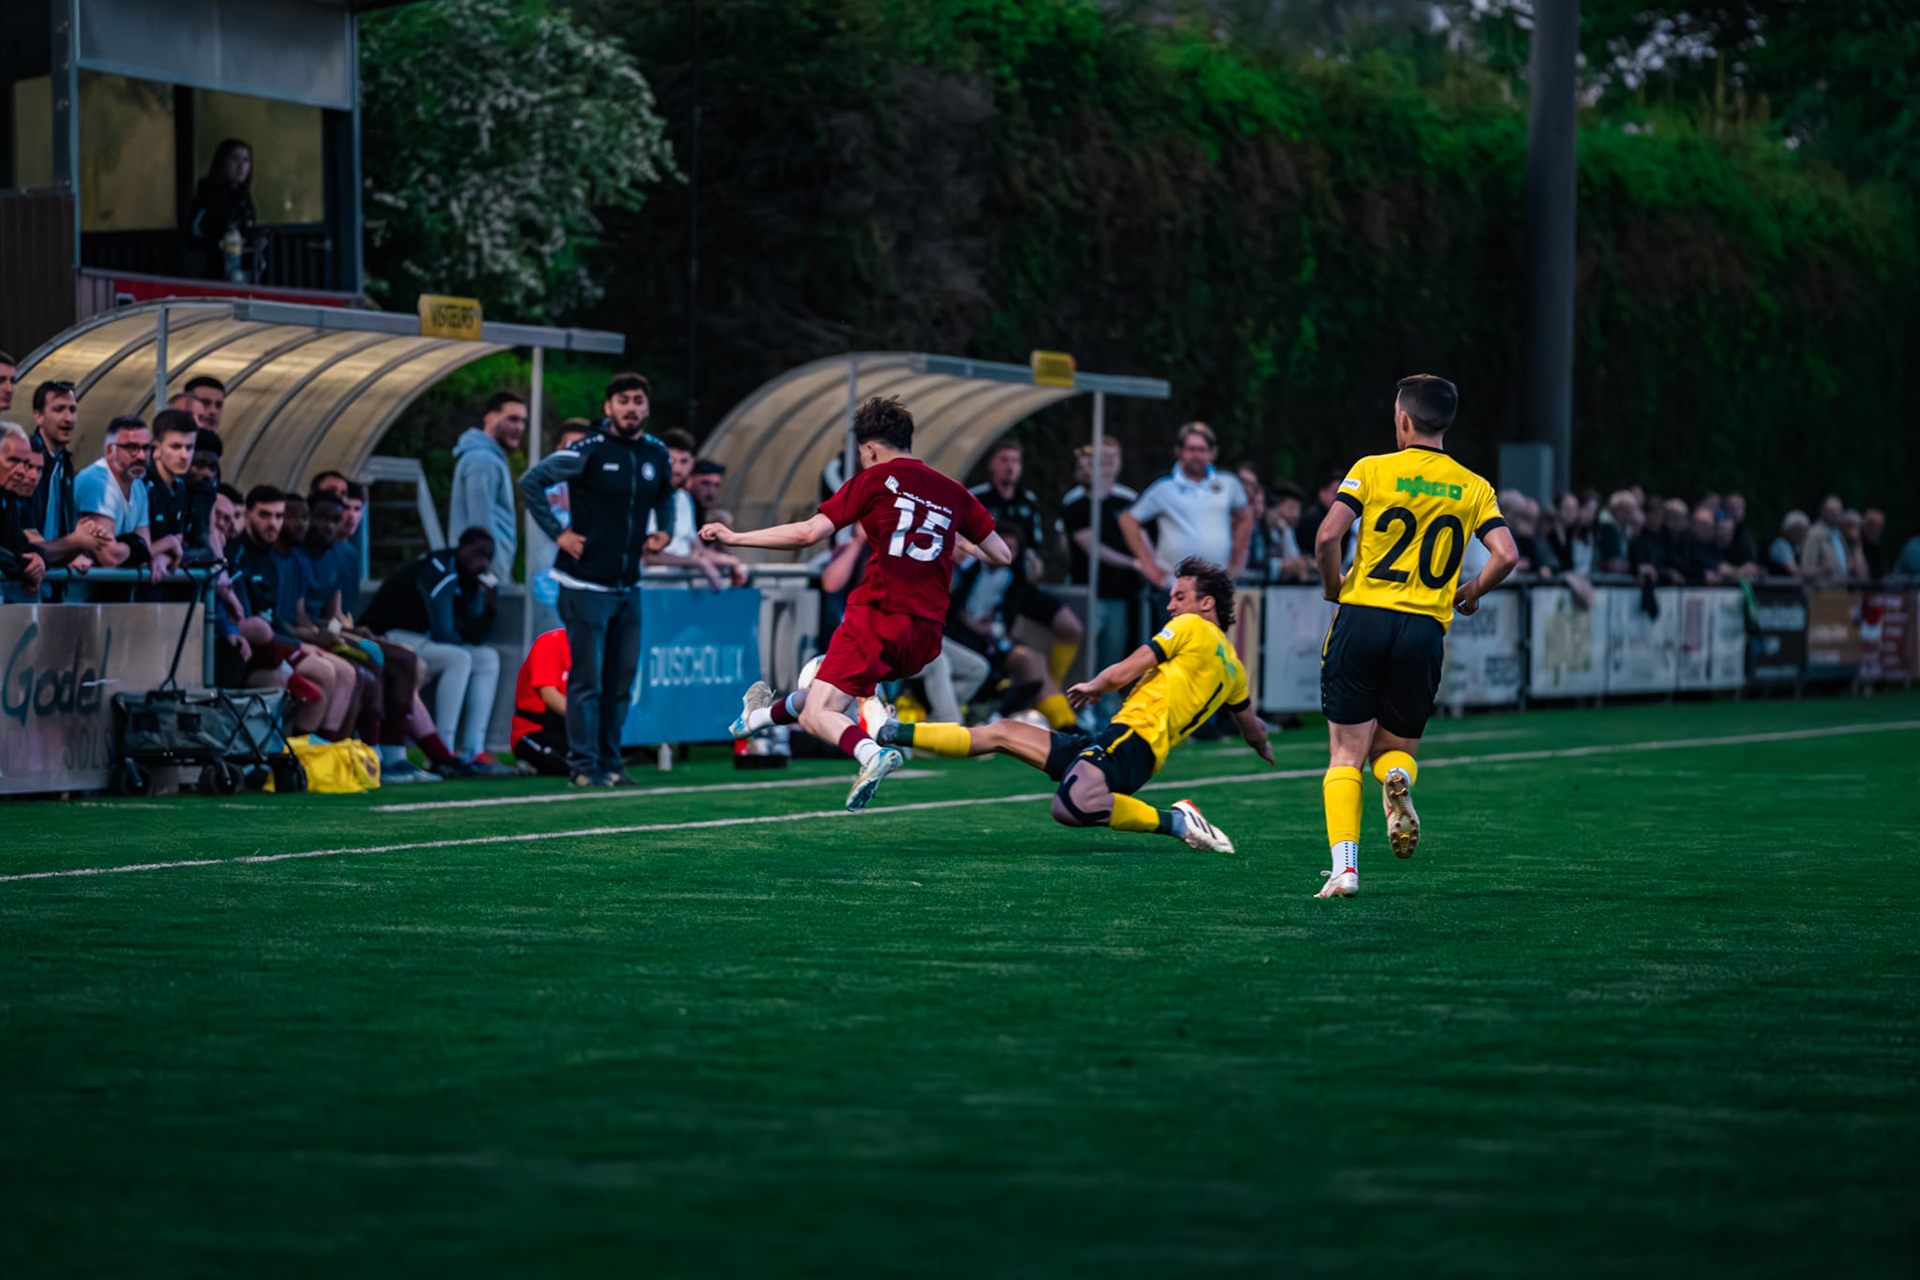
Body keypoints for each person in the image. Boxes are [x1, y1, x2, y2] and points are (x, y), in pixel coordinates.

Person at [708, 394, 1012, 811]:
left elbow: (807, 533)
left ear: (869, 448)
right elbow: (1002, 556)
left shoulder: (873, 480)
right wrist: (958, 539)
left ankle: (872, 753)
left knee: (819, 713)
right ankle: (756, 718)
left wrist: (736, 537)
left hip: (879, 614)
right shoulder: (953, 492)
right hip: (924, 636)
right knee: (828, 691)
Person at [883, 557, 1268, 851]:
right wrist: (1263, 748)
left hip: (1132, 742)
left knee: (1070, 807)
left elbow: (1126, 669)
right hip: (1125, 744)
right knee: (1001, 733)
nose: (1171, 606)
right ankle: (889, 730)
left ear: (1206, 603)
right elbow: (1251, 728)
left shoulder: (1191, 625)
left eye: (1179, 597)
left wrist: (1096, 686)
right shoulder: (1234, 667)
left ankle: (1179, 823)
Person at [1310, 374, 1519, 899]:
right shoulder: (1474, 486)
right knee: (1395, 748)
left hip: (1364, 618)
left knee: (1345, 752)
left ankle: (1346, 868)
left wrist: (1335, 585)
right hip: (1424, 628)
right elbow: (1508, 555)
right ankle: (1397, 783)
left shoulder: (1373, 469)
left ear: (1403, 418)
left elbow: (1328, 535)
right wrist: (1470, 589)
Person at [515, 372, 676, 787]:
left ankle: (611, 764)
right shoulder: (586, 449)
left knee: (619, 682)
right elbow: (532, 481)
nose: (631, 407)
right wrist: (559, 534)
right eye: (623, 400)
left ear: (646, 407)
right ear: (608, 408)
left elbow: (665, 493)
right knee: (587, 681)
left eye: (638, 400)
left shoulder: (656, 453)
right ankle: (584, 767)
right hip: (583, 584)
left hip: (628, 585)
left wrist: (666, 531)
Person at [361, 529, 510, 776]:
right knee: (459, 658)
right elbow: (443, 630)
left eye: (487, 556)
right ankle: (444, 751)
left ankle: (474, 750)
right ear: (461, 548)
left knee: (487, 658)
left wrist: (488, 606)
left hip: (423, 640)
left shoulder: (474, 580)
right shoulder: (441, 566)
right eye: (476, 553)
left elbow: (474, 636)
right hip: (389, 634)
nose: (482, 562)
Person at [969, 440, 1082, 687]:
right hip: (985, 588)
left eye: (1015, 461)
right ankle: (1003, 698)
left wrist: (1035, 564)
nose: (1010, 467)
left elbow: (1033, 548)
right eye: (1004, 460)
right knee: (1004, 649)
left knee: (1071, 627)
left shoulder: (1027, 501)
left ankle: (1055, 689)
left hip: (1021, 584)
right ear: (992, 464)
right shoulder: (977, 498)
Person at [1121, 422, 1252, 591]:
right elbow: (1128, 520)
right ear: (1180, 452)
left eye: (1201, 450)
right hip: (1174, 585)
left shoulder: (1228, 484)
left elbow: (1245, 517)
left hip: (1216, 584)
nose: (1196, 455)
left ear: (1212, 453)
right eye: (1191, 449)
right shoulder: (1164, 489)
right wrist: (1149, 565)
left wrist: (1238, 561)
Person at [1057, 439, 1141, 676]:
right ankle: (1080, 707)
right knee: (1084, 656)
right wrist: (1132, 563)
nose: (1107, 466)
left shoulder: (1127, 499)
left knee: (1113, 656)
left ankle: (1108, 708)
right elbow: (1079, 544)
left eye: (1112, 459)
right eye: (1102, 460)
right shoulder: (1074, 502)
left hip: (1120, 593)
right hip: (1087, 590)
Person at [74, 416, 175, 583]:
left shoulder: (139, 487)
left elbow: (144, 549)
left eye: (146, 448)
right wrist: (167, 543)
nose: (141, 455)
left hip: (108, 596)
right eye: (131, 447)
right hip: (78, 595)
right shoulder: (98, 482)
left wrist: (147, 551)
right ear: (110, 450)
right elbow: (110, 557)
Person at [449, 391, 526, 582]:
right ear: (490, 419)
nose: (519, 427)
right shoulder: (483, 461)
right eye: (512, 419)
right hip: (483, 575)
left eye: (523, 421)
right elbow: (479, 528)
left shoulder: (489, 458)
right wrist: (490, 577)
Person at [189, 138, 261, 283]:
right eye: (235, 159)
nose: (241, 166)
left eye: (246, 160)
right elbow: (192, 236)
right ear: (222, 162)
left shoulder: (244, 197)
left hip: (242, 275)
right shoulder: (207, 194)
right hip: (211, 277)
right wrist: (220, 245)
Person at [142, 409, 208, 557]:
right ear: (157, 448)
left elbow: (179, 539)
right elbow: (134, 551)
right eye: (176, 447)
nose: (184, 455)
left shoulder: (180, 487)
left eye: (189, 447)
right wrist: (168, 544)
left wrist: (165, 556)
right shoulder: (141, 486)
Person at [509, 627, 572, 776]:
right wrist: (590, 721)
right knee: (573, 765)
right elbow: (549, 695)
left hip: (569, 730)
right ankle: (529, 760)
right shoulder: (551, 641)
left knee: (597, 762)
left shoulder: (597, 647)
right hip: (535, 730)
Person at [1800, 494, 1849, 583]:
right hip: (1821, 592)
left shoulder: (1838, 534)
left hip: (1840, 590)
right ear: (1822, 511)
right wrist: (1822, 570)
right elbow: (1806, 569)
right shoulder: (1814, 534)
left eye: (1838, 510)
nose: (1835, 514)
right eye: (1831, 510)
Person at [1767, 511, 1810, 577]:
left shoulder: (1797, 547)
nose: (1802, 534)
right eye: (1799, 530)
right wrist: (1820, 571)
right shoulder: (1781, 545)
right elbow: (1795, 571)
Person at [1861, 509, 1886, 580]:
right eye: (1874, 525)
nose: (1878, 530)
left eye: (1880, 526)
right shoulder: (1859, 543)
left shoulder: (1875, 545)